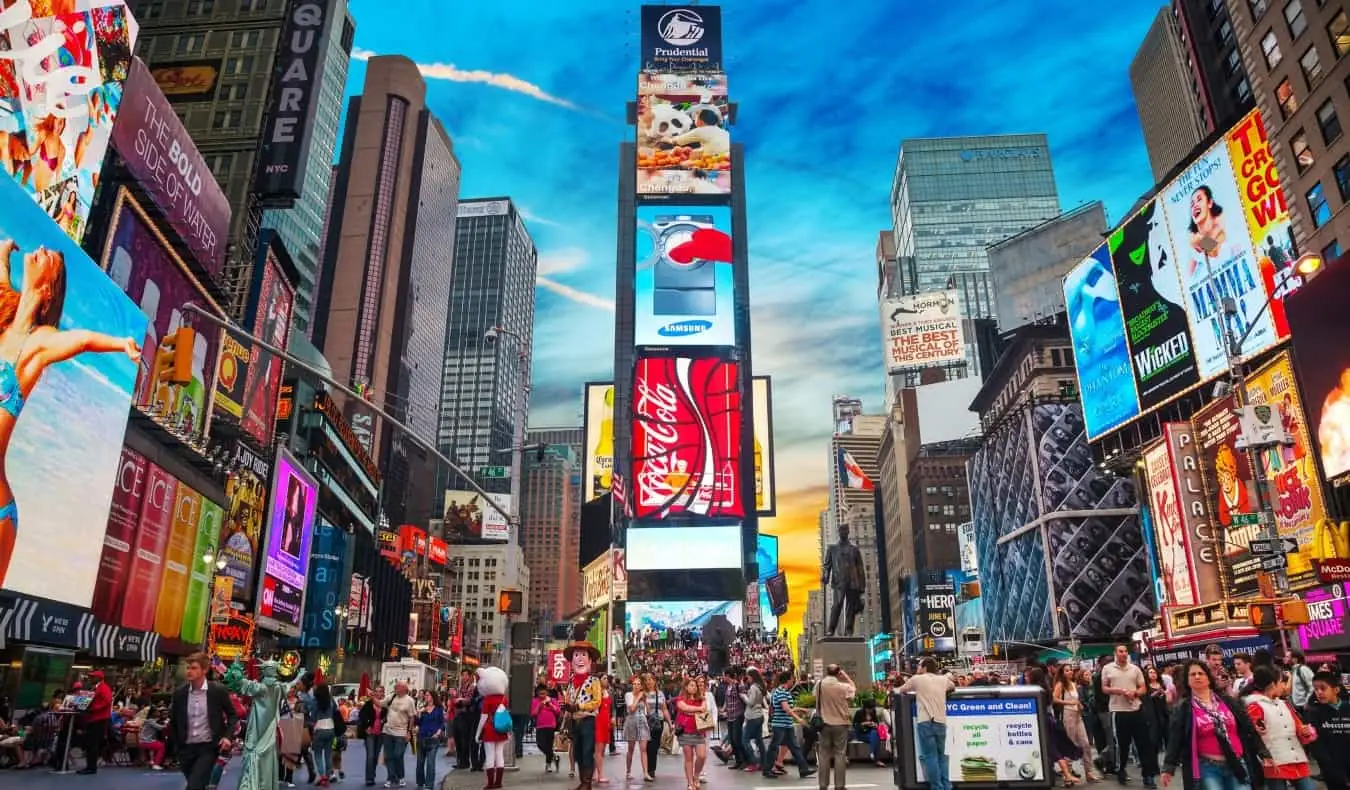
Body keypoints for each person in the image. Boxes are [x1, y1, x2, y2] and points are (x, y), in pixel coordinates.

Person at [0, 239, 142, 586]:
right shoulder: (4, 323)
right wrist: (4, 251)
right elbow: (1, 277)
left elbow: (80, 340)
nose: (43, 248)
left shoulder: (39, 342)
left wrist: (121, 343)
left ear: (49, 289)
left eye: (52, 258)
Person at [1160, 660, 1266, 790]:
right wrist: (1168, 767)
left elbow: (1248, 728)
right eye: (1192, 674)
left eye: (1201, 673)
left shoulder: (1229, 702)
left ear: (1209, 678)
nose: (1197, 677)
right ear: (1187, 681)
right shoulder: (1184, 708)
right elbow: (1175, 738)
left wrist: (1263, 752)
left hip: (1237, 763)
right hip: (1208, 768)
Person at [170, 653, 239, 790]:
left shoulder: (217, 691)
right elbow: (174, 721)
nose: (189, 671)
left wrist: (227, 737)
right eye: (188, 668)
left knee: (194, 785)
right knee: (198, 785)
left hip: (208, 748)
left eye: (194, 668)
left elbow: (232, 715)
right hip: (186, 750)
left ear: (205, 670)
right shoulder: (180, 693)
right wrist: (176, 748)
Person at [1244, 666, 1317, 790]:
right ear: (1273, 684)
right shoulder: (1254, 707)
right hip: (1275, 762)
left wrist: (1304, 731)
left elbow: (1298, 726)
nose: (1284, 686)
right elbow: (1255, 735)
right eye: (1282, 682)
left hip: (1297, 759)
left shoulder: (1284, 704)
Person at [1102, 643, 1159, 787]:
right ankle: (1121, 770)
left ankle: (1148, 775)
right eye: (1120, 651)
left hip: (1136, 709)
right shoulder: (1107, 669)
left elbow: (1143, 688)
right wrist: (1120, 691)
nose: (1123, 653)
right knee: (1122, 745)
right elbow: (1104, 688)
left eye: (1125, 651)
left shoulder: (1135, 669)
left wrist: (1134, 693)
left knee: (1144, 744)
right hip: (1118, 711)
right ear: (1115, 653)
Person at [900, 659, 954, 790]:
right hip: (941, 722)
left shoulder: (917, 679)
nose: (917, 667)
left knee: (930, 756)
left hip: (925, 721)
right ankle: (947, 785)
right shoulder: (943, 680)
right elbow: (952, 685)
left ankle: (937, 787)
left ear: (924, 667)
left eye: (919, 665)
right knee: (942, 755)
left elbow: (902, 690)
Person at [563, 640, 605, 790]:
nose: (579, 658)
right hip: (575, 721)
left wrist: (579, 706)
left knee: (587, 751)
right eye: (576, 655)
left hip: (588, 720)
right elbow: (568, 698)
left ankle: (587, 783)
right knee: (578, 752)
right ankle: (583, 781)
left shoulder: (594, 681)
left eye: (583, 655)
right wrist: (567, 706)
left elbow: (597, 701)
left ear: (590, 659)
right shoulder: (571, 681)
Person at [761, 670, 815, 781]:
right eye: (792, 679)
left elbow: (787, 708)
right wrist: (799, 719)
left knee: (794, 747)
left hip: (786, 724)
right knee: (774, 747)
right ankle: (767, 769)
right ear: (788, 680)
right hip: (780, 725)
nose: (793, 681)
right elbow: (786, 708)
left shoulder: (783, 691)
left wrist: (800, 709)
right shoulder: (781, 692)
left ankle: (803, 769)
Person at [1303, 671, 1349, 790]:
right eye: (1316, 689)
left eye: (1323, 688)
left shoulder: (1347, 708)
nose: (1319, 692)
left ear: (1336, 690)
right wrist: (1329, 766)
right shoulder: (1313, 713)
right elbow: (1316, 744)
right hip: (1330, 768)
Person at [817, 663, 857, 790]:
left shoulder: (819, 685)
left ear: (827, 672)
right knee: (840, 755)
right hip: (840, 723)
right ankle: (839, 785)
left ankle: (823, 784)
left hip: (824, 723)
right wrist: (845, 676)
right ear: (838, 673)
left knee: (824, 755)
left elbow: (815, 697)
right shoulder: (843, 687)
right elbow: (853, 688)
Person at [76, 669, 113, 774]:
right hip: (94, 718)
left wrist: (92, 708)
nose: (91, 678)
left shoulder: (103, 688)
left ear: (98, 678)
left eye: (93, 677)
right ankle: (90, 766)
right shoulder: (98, 687)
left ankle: (91, 767)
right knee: (90, 743)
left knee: (92, 744)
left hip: (98, 718)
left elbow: (106, 701)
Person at [382, 682, 418, 788]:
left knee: (398, 755)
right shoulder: (391, 696)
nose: (395, 688)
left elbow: (412, 717)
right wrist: (372, 697)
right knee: (388, 756)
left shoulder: (409, 700)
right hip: (388, 731)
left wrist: (409, 732)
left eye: (397, 687)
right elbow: (380, 703)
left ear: (403, 689)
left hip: (401, 732)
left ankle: (401, 776)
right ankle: (390, 777)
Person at [677, 678, 709, 790]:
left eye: (695, 685)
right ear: (686, 687)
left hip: (699, 731)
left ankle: (696, 776)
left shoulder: (702, 699)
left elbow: (704, 709)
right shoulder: (680, 698)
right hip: (685, 731)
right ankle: (690, 782)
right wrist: (698, 709)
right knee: (688, 758)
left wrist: (694, 709)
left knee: (702, 756)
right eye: (691, 685)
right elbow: (684, 707)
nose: (694, 687)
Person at [415, 689, 445, 790]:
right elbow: (417, 723)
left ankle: (429, 785)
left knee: (431, 763)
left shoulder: (438, 709)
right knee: (420, 763)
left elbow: (442, 723)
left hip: (433, 739)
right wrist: (419, 714)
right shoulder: (422, 709)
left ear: (433, 696)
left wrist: (438, 732)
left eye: (428, 695)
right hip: (421, 737)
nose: (426, 697)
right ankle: (420, 783)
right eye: (425, 695)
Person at [640, 673, 668, 782]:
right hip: (645, 723)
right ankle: (648, 770)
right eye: (647, 679)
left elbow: (664, 709)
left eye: (651, 679)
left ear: (655, 681)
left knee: (654, 747)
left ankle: (652, 769)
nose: (649, 681)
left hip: (658, 723)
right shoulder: (642, 694)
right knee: (647, 747)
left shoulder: (660, 694)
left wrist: (670, 722)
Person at [357, 686, 387, 787]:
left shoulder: (385, 704)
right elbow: (361, 716)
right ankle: (369, 778)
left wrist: (384, 720)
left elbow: (389, 716)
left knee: (375, 756)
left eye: (380, 692)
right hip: (370, 733)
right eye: (376, 691)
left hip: (381, 733)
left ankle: (372, 773)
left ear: (383, 693)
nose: (378, 693)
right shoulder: (369, 704)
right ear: (374, 693)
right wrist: (366, 727)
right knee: (370, 756)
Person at [623, 674, 651, 781]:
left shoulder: (643, 695)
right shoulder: (628, 695)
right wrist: (638, 697)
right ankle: (628, 771)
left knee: (643, 749)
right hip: (631, 721)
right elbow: (631, 709)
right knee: (631, 748)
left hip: (642, 721)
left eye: (638, 684)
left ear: (641, 686)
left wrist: (645, 700)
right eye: (634, 684)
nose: (635, 686)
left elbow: (648, 712)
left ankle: (645, 773)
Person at [741, 668, 767, 775]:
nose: (747, 679)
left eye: (749, 677)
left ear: (752, 677)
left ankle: (753, 762)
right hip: (759, 715)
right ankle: (764, 762)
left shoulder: (753, 688)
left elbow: (750, 702)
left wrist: (744, 697)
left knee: (745, 740)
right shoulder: (761, 687)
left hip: (752, 716)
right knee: (759, 740)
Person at [533, 684, 563, 774]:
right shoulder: (535, 701)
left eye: (544, 693)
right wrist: (539, 706)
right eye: (540, 693)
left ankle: (548, 764)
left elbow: (558, 711)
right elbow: (533, 713)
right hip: (540, 726)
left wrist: (551, 705)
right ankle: (554, 757)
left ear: (547, 692)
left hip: (550, 725)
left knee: (549, 745)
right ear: (537, 693)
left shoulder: (552, 700)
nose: (542, 695)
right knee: (540, 744)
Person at [594, 675, 613, 784]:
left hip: (606, 722)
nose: (606, 680)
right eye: (604, 678)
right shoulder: (596, 692)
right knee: (598, 750)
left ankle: (595, 773)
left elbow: (610, 707)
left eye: (607, 678)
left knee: (602, 750)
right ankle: (599, 774)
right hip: (599, 721)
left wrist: (611, 718)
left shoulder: (608, 691)